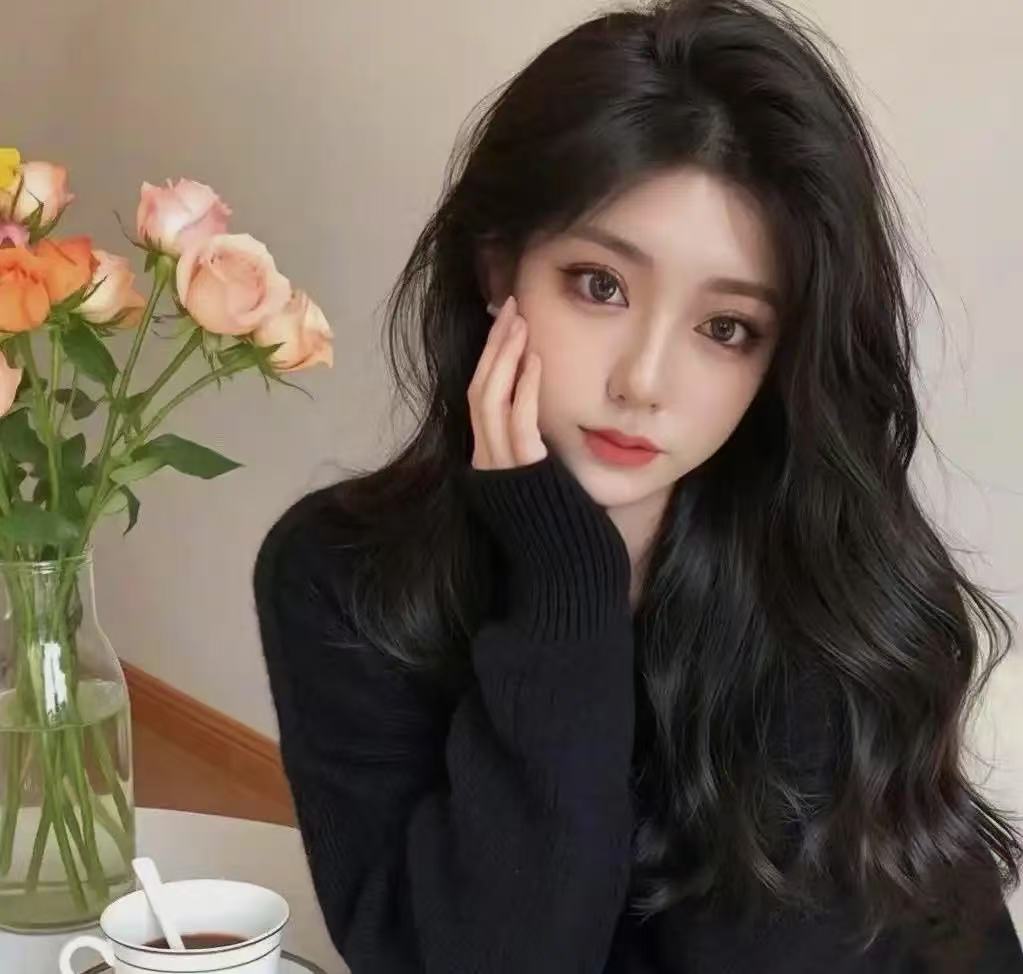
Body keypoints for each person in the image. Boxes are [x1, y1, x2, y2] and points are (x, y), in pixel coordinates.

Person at [252, 1, 1023, 970]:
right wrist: (564, 584)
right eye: (599, 284)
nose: (644, 381)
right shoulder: (342, 574)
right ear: (498, 268)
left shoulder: (827, 577)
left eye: (726, 328)